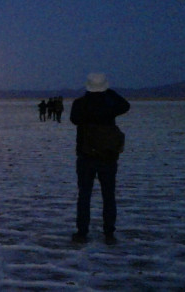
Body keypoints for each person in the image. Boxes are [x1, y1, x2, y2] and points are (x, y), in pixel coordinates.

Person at [69, 73, 130, 245]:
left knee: (84, 195)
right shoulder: (110, 103)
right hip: (108, 157)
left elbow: (74, 119)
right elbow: (125, 105)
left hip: (86, 156)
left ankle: (82, 232)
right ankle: (109, 233)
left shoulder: (80, 104)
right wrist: (108, 91)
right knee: (108, 195)